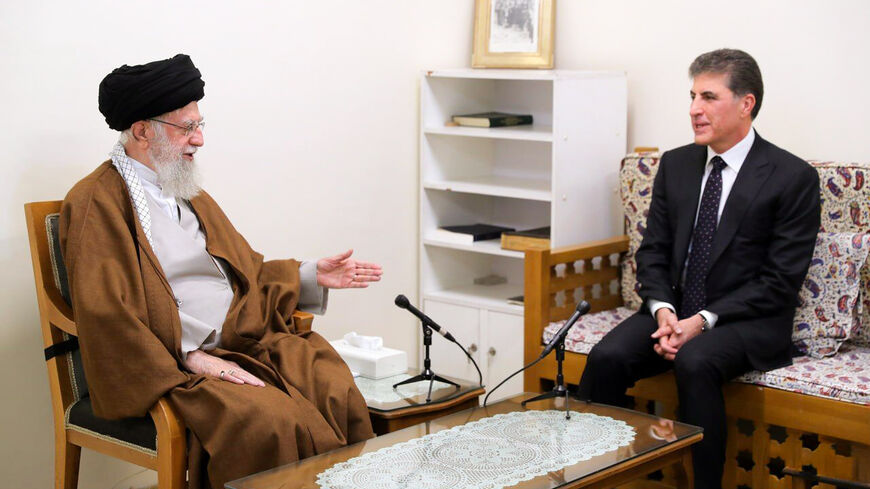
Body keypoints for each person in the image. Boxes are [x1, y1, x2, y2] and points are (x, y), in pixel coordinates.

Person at [59, 54, 382, 488]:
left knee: (331, 380)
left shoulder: (185, 189)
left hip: (242, 337)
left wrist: (309, 274)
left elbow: (245, 271)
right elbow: (104, 310)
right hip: (177, 363)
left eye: (200, 125)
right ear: (141, 131)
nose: (200, 140)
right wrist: (192, 357)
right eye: (187, 128)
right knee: (269, 421)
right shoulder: (95, 201)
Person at [577, 49, 820, 489]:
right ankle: (600, 476)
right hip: (674, 309)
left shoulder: (791, 176)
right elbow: (652, 251)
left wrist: (702, 322)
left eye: (708, 96)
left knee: (695, 359)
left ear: (746, 103)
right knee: (606, 357)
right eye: (692, 96)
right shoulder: (677, 164)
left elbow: (780, 281)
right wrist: (663, 310)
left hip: (747, 320)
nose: (694, 109)